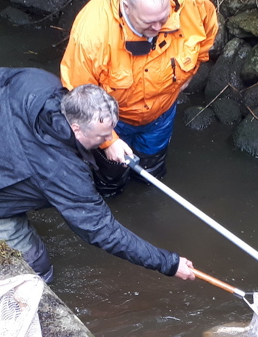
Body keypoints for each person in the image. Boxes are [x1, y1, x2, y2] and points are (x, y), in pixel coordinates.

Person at [0, 67, 195, 284]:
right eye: (104, 136)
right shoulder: (63, 171)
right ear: (76, 127)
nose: (110, 141)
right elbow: (101, 230)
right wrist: (168, 263)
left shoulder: (36, 82)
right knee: (36, 268)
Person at [60, 0, 218, 196]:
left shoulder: (194, 6)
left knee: (150, 174)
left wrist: (193, 70)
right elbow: (79, 97)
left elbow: (207, 34)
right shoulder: (92, 34)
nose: (159, 28)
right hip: (112, 122)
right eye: (149, 22)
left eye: (163, 18)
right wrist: (108, 141)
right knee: (110, 181)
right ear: (126, 6)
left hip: (161, 115)